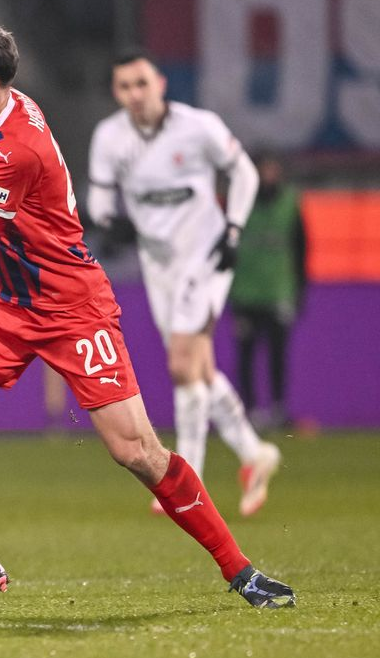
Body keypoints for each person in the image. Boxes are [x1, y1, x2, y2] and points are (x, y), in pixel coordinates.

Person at [0, 22, 294, 611]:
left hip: (71, 309)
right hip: (4, 307)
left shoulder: (17, 150)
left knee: (136, 452)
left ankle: (239, 569)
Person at [87, 50, 281, 517]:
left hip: (207, 253)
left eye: (141, 83)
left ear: (159, 83)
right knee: (198, 369)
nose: (134, 94)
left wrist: (234, 229)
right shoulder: (110, 137)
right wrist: (111, 222)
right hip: (160, 264)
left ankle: (184, 477)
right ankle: (255, 454)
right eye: (124, 87)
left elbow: (244, 173)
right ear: (116, 92)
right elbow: (97, 198)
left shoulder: (199, 127)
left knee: (180, 363)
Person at [229, 153, 307, 429]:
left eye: (272, 169)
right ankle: (248, 411)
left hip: (278, 291)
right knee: (246, 356)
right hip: (245, 293)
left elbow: (301, 249)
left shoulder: (290, 202)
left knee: (278, 355)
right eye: (263, 169)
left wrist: (299, 291)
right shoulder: (241, 203)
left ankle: (278, 409)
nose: (268, 175)